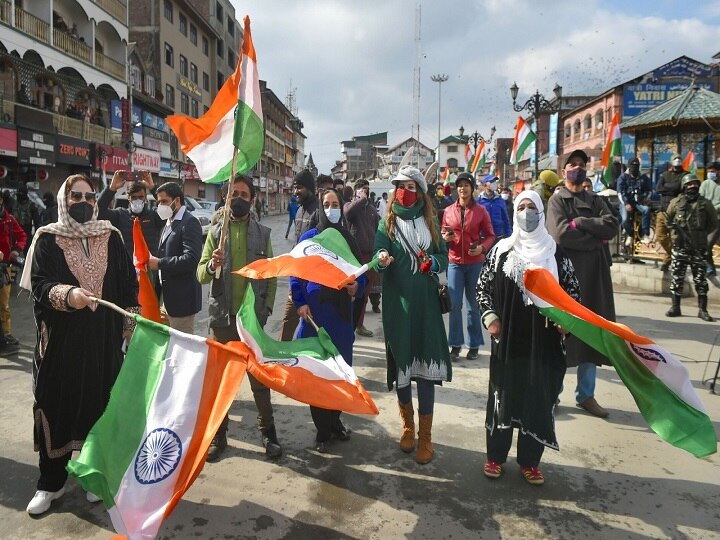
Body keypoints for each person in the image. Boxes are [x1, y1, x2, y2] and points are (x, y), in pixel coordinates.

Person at [22, 174, 139, 515]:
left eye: (90, 197)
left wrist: (129, 328)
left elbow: (128, 286)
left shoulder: (111, 236)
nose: (84, 202)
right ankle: (51, 483)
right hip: (61, 347)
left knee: (100, 409)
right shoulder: (46, 238)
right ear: (63, 199)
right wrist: (68, 295)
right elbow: (40, 287)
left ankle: (93, 477)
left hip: (104, 347)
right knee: (55, 405)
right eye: (76, 195)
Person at [477, 190, 580, 485]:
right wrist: (491, 318)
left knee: (537, 397)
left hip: (544, 343)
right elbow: (483, 289)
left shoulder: (555, 253)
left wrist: (566, 323)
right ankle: (495, 457)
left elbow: (573, 294)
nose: (526, 212)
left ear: (541, 211)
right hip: (508, 339)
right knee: (503, 396)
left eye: (531, 207)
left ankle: (530, 462)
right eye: (521, 207)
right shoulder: (501, 251)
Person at [197, 175, 282, 461]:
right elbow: (200, 275)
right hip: (222, 320)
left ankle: (268, 433)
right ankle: (218, 436)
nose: (239, 199)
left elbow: (271, 277)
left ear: (253, 199)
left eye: (244, 194)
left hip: (251, 322)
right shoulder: (214, 232)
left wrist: (266, 310)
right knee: (221, 383)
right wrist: (211, 264)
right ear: (225, 197)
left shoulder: (263, 233)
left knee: (259, 381)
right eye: (234, 193)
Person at [374, 165, 451, 465]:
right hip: (398, 307)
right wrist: (381, 259)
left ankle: (426, 437)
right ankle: (408, 427)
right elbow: (376, 256)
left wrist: (433, 262)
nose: (404, 192)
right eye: (399, 186)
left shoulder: (431, 221)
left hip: (427, 309)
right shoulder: (387, 224)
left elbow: (443, 257)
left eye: (410, 186)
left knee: (425, 372)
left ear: (420, 191)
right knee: (404, 371)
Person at [291, 189, 366, 452]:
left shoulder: (347, 240)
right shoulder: (310, 239)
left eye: (335, 204)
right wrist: (300, 302)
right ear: (321, 209)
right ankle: (322, 430)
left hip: (341, 319)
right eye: (327, 204)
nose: (331, 208)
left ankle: (335, 422)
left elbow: (361, 273)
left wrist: (356, 286)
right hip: (315, 319)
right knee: (318, 376)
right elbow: (295, 273)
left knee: (339, 374)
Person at [546, 149, 619, 419]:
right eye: (572, 164)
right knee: (561, 336)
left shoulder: (595, 199)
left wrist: (582, 222)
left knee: (591, 335)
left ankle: (585, 395)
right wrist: (595, 239)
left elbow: (612, 226)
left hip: (596, 278)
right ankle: (553, 393)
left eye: (581, 164)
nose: (577, 168)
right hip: (567, 277)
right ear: (563, 171)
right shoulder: (557, 201)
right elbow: (561, 235)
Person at [441, 172, 495, 360]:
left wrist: (481, 248)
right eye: (460, 185)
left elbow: (490, 235)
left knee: (473, 305)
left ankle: (474, 345)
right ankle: (455, 345)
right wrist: (445, 238)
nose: (462, 188)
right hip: (454, 262)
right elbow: (443, 232)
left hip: (475, 264)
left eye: (466, 185)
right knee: (454, 304)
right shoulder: (448, 211)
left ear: (472, 188)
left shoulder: (481, 211)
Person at [148, 182, 203, 333]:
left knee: (182, 349)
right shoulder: (168, 221)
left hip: (182, 301)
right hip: (165, 298)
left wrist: (160, 263)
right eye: (158, 202)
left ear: (177, 201)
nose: (160, 206)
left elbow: (191, 258)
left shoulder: (189, 222)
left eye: (164, 201)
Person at [665, 174, 718, 322]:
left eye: (695, 184)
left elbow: (714, 225)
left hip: (698, 248)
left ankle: (703, 310)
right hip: (680, 248)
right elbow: (666, 220)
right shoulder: (675, 203)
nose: (692, 187)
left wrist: (706, 242)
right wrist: (673, 234)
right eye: (689, 184)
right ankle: (675, 307)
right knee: (677, 278)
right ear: (684, 186)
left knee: (701, 280)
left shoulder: (705, 204)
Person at [279, 170, 319, 341]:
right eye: (295, 187)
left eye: (300, 187)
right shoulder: (300, 210)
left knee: (312, 321)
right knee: (289, 318)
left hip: (313, 279)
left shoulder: (319, 211)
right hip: (297, 275)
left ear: (310, 188)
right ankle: (281, 355)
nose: (296, 191)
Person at [97, 171, 163, 260]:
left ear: (145, 197)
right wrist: (111, 188)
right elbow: (98, 212)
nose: (137, 200)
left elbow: (167, 207)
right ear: (129, 198)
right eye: (134, 197)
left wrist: (152, 187)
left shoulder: (154, 215)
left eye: (141, 197)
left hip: (149, 268)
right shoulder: (120, 215)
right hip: (127, 268)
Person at [344, 178, 380, 337]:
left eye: (366, 188)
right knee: (354, 293)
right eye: (362, 189)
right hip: (355, 255)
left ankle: (359, 324)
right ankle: (349, 324)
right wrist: (361, 199)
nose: (365, 191)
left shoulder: (372, 209)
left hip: (370, 256)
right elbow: (348, 213)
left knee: (365, 294)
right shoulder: (350, 206)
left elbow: (379, 229)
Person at [0, 197, 27, 351]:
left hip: (5, 268)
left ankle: (6, 333)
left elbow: (22, 236)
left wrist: (16, 250)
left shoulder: (10, 220)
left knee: (4, 303)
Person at [656, 157, 686, 271]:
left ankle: (668, 260)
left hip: (676, 211)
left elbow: (681, 188)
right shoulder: (665, 174)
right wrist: (672, 189)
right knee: (660, 236)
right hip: (663, 209)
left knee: (675, 238)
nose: (676, 168)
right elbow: (658, 188)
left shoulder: (685, 175)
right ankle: (674, 255)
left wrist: (667, 186)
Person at [616, 157, 652, 247]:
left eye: (637, 165)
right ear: (629, 166)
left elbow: (649, 190)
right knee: (624, 219)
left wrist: (645, 198)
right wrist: (626, 203)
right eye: (633, 165)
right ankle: (631, 234)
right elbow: (620, 192)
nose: (635, 167)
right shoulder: (623, 177)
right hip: (626, 203)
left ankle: (645, 234)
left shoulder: (643, 178)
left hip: (638, 203)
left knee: (646, 210)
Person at [699, 161, 720, 276]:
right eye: (709, 171)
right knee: (704, 244)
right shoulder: (705, 184)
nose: (711, 173)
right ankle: (709, 266)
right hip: (706, 219)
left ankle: (709, 266)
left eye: (713, 171)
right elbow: (700, 198)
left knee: (708, 243)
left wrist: (712, 208)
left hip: (717, 220)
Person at [477, 175, 511, 242]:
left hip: (498, 237)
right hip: (483, 238)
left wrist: (509, 236)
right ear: (485, 184)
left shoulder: (500, 200)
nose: (494, 183)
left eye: (495, 181)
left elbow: (506, 220)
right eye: (491, 181)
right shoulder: (478, 201)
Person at [12, 185, 40, 253]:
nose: (18, 196)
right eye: (17, 194)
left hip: (26, 232)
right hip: (14, 233)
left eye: (20, 194)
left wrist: (37, 236)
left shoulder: (31, 205)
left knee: (27, 253)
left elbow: (37, 222)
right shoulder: (14, 204)